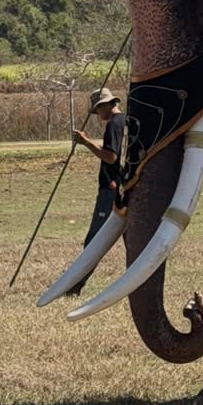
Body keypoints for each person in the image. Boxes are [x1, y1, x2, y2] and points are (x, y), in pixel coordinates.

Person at [67, 88, 126, 292]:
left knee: (94, 239)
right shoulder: (127, 121)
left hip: (111, 188)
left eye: (98, 110)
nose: (98, 115)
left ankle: (75, 284)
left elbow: (110, 157)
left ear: (106, 105)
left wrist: (85, 142)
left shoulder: (114, 125)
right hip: (127, 187)